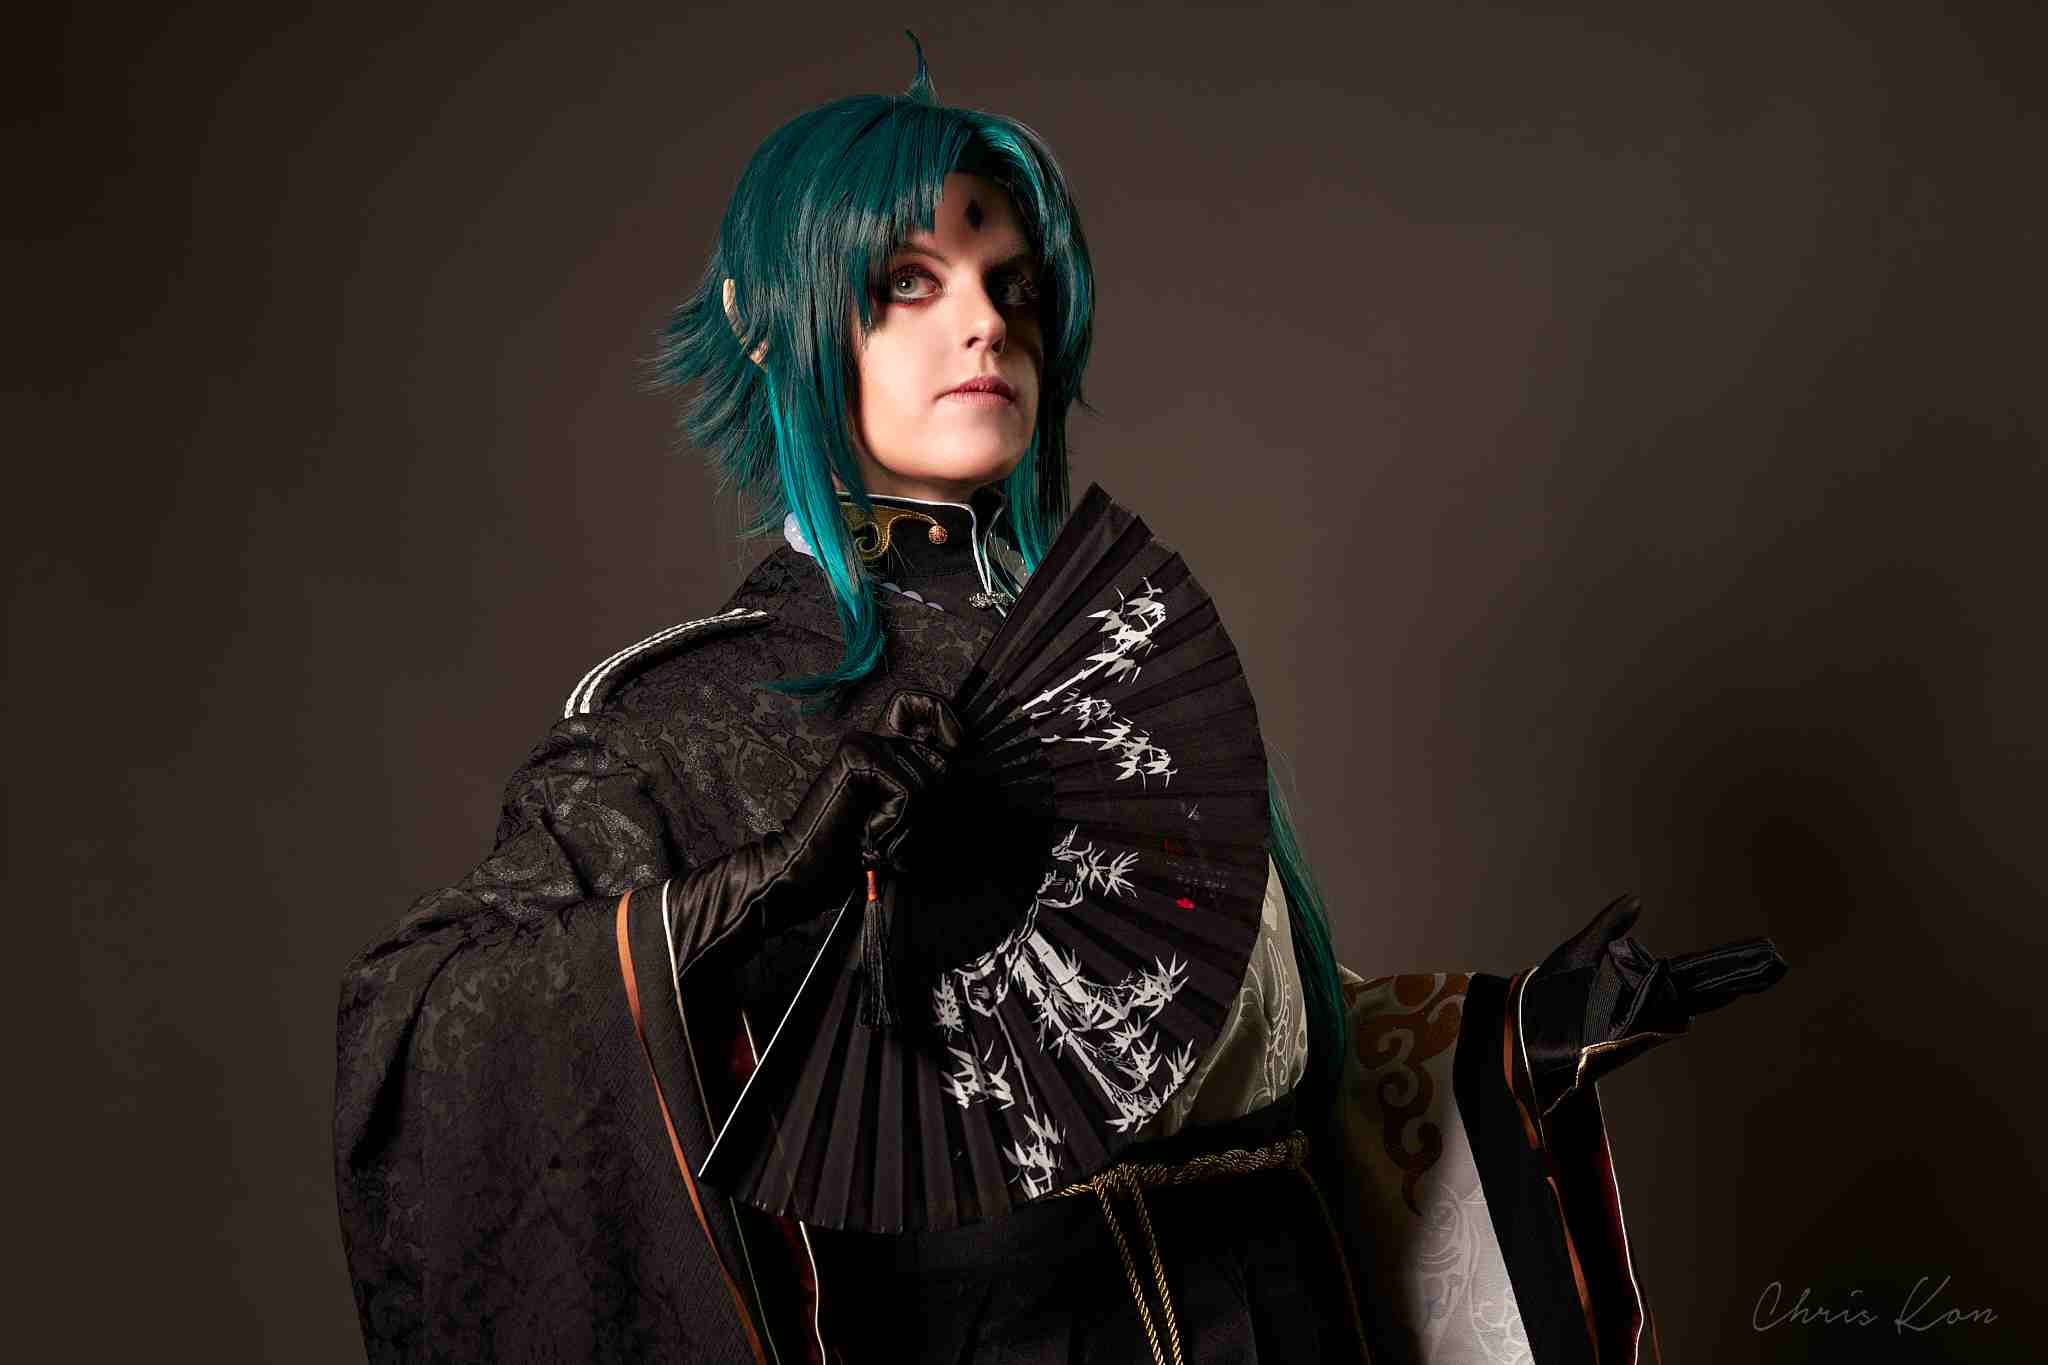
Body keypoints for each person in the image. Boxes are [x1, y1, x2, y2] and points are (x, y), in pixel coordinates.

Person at [333, 35, 1788, 1364]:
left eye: (1011, 284)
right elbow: (423, 1029)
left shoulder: (1119, 655)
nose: (983, 323)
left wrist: (1519, 1041)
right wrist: (750, 897)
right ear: (765, 326)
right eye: (909, 280)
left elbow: (1232, 1041)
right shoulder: (685, 717)